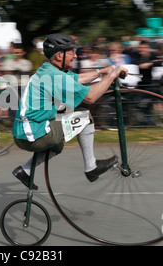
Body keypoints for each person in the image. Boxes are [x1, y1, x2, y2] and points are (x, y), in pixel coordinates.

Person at [11, 33, 128, 189]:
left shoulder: (49, 70)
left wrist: (102, 72)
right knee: (84, 113)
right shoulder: (54, 77)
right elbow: (91, 97)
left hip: (24, 133)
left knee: (57, 145)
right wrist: (112, 75)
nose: (75, 55)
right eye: (72, 52)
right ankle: (91, 167)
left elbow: (78, 79)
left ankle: (24, 170)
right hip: (33, 135)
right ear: (59, 55)